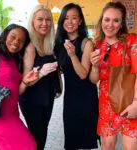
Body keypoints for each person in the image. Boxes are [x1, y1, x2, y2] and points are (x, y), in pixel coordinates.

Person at [90, 1, 137, 150]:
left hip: (130, 100)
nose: (110, 25)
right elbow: (93, 79)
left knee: (130, 147)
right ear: (101, 20)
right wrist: (95, 67)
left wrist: (136, 103)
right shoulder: (96, 45)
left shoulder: (131, 41)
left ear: (121, 23)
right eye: (107, 19)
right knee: (107, 146)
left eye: (116, 20)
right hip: (106, 103)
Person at [54, 3, 99, 150]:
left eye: (74, 18)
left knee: (86, 141)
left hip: (86, 97)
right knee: (71, 139)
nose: (70, 22)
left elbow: (83, 74)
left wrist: (73, 55)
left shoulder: (86, 43)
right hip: (70, 98)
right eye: (66, 18)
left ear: (80, 21)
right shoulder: (59, 44)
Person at [0, 24, 38, 150]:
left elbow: (16, 92)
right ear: (5, 36)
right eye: (13, 37)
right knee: (30, 146)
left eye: (21, 41)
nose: (16, 42)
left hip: (13, 113)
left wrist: (25, 82)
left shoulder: (14, 61)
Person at [19, 4, 61, 150]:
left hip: (47, 97)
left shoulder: (50, 43)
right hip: (32, 99)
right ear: (33, 22)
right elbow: (26, 80)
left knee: (42, 133)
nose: (45, 23)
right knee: (37, 135)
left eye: (48, 20)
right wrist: (41, 72)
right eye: (40, 19)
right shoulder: (30, 46)